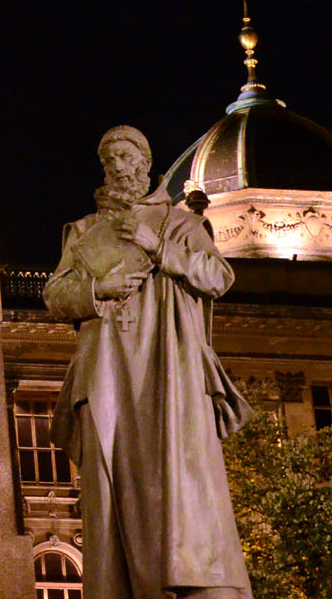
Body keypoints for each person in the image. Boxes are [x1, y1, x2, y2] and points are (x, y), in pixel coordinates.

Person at [43, 126, 255, 599]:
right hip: (107, 372)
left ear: (145, 162)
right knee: (113, 479)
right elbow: (55, 294)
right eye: (109, 159)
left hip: (168, 371)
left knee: (176, 477)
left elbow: (218, 276)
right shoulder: (83, 232)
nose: (118, 167)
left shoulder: (181, 225)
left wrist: (158, 247)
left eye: (126, 156)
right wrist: (97, 290)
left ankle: (187, 574)